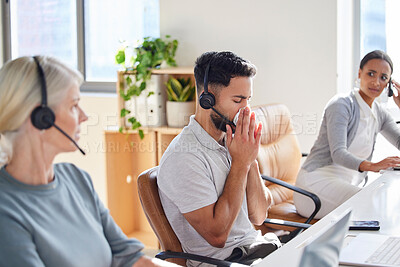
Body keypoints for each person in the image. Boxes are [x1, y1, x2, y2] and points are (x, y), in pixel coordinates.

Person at [0, 56, 176, 267]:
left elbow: (128, 257)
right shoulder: (6, 211)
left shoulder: (76, 179)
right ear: (40, 117)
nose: (84, 116)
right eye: (74, 106)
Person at [157, 51, 281, 266]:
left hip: (257, 251)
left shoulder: (233, 143)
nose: (246, 110)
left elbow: (259, 216)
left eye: (248, 100)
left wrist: (250, 160)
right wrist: (241, 164)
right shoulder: (184, 157)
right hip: (225, 261)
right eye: (238, 100)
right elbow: (217, 237)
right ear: (207, 98)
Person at [294, 50, 400, 219]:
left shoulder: (379, 112)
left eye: (383, 77)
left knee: (381, 203)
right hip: (315, 185)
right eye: (371, 74)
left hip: (345, 184)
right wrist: (373, 166)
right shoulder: (342, 105)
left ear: (389, 83)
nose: (376, 82)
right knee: (372, 206)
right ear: (359, 73)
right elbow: (338, 154)